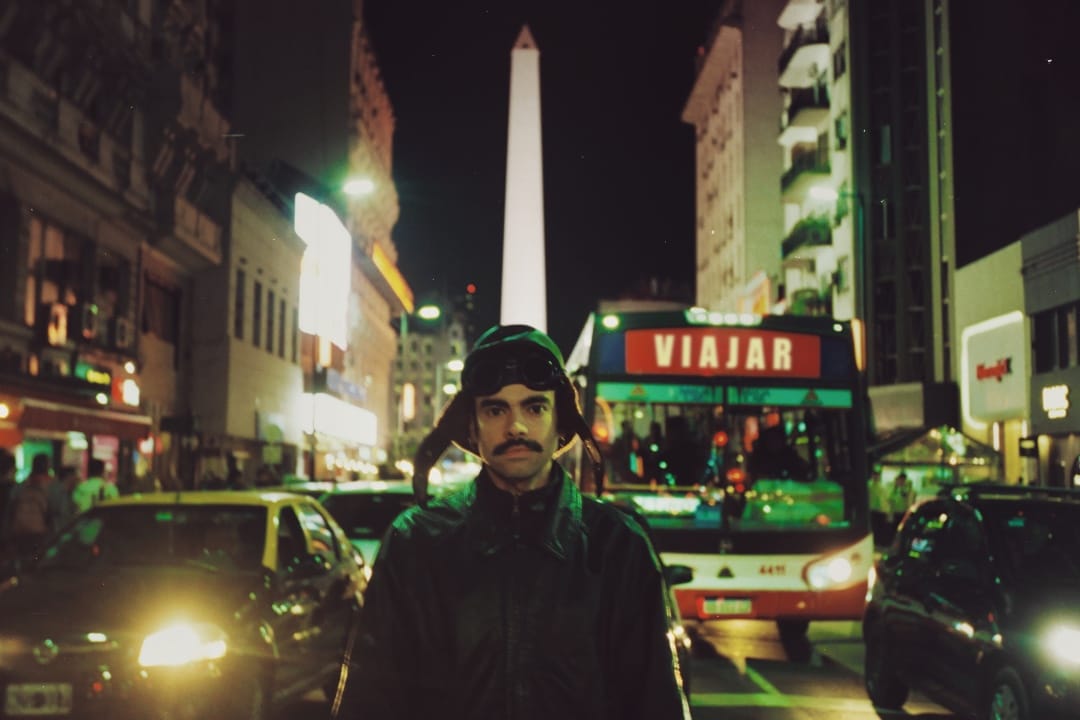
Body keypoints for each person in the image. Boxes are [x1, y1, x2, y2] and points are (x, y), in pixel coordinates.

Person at [336, 324, 690, 719]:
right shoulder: (415, 544)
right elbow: (370, 700)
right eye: (495, 409)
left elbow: (656, 703)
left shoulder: (619, 547)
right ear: (472, 427)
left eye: (535, 407)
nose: (516, 427)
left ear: (561, 425)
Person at [6, 453, 53, 563]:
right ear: (47, 466)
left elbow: (10, 510)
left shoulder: (21, 486)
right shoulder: (52, 487)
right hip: (39, 533)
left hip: (20, 532)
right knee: (37, 561)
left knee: (21, 560)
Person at [47, 465, 79, 531]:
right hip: (57, 532)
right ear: (69, 477)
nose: (77, 479)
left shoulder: (69, 492)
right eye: (75, 476)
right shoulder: (57, 492)